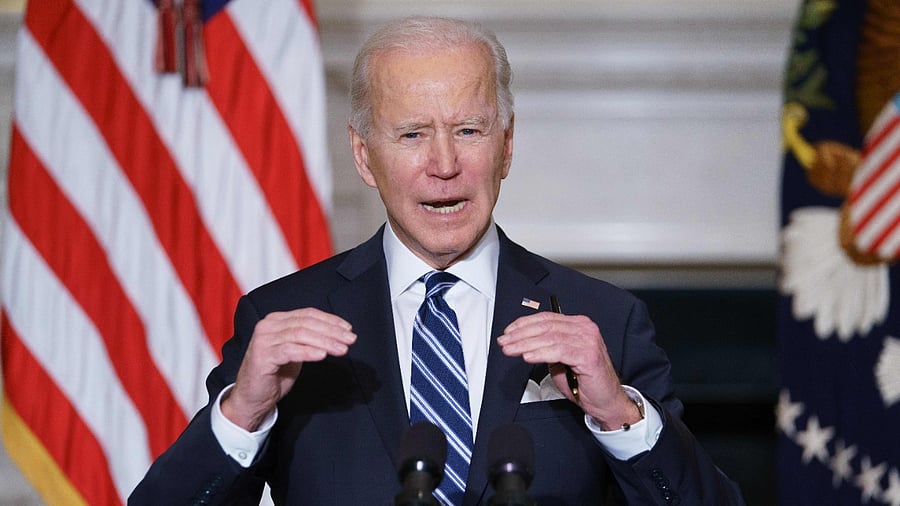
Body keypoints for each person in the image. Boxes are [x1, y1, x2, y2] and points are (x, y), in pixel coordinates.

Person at [130, 16, 745, 505]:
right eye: (412, 134)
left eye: (470, 131)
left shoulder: (605, 319)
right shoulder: (283, 320)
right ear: (364, 156)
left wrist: (618, 415)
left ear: (507, 146)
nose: (444, 163)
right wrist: (243, 413)